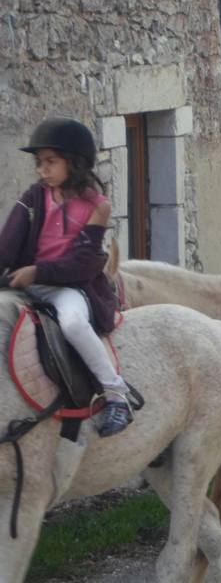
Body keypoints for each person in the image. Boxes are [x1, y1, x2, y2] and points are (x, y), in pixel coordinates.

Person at [0, 117, 132, 436]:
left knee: (73, 323)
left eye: (50, 162)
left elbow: (84, 262)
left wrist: (38, 271)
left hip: (68, 287)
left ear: (74, 163)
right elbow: (8, 242)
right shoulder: (33, 197)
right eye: (39, 162)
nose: (41, 170)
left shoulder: (97, 206)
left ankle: (116, 394)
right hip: (24, 284)